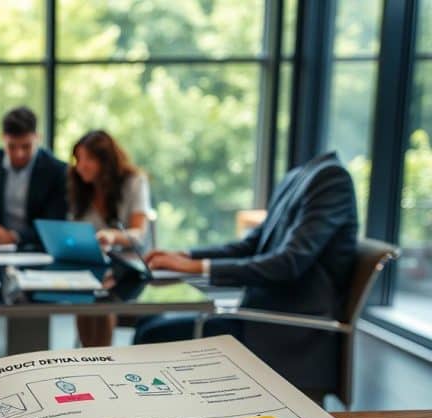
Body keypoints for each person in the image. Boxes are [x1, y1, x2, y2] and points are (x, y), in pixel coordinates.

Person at [134, 151, 358, 400]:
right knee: (149, 322)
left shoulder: (330, 178)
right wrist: (185, 256)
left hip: (287, 328)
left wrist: (196, 268)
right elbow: (251, 245)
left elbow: (288, 263)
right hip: (260, 315)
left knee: (153, 333)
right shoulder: (299, 177)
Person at [67, 130, 152, 347]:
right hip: (90, 263)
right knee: (85, 297)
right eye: (78, 159)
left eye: (87, 159)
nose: (80, 166)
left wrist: (112, 236)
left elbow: (139, 233)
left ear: (104, 161)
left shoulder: (134, 182)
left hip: (126, 265)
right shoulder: (79, 187)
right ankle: (88, 355)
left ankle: (101, 357)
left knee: (103, 299)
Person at [0, 106, 67, 250]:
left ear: (37, 138)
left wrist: (12, 236)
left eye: (26, 146)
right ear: (3, 138)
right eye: (12, 147)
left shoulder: (56, 169)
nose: (19, 154)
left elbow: (54, 225)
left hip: (37, 251)